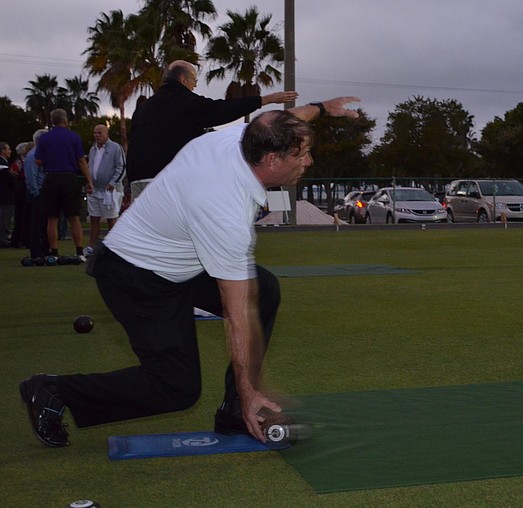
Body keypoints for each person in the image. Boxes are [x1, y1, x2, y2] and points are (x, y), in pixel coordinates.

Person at [20, 100, 360, 448]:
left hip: (177, 261)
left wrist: (319, 107)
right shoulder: (225, 208)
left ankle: (231, 411)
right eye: (301, 155)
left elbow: (280, 122)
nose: (309, 161)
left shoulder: (240, 140)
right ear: (273, 160)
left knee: (266, 289)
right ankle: (53, 390)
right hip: (134, 275)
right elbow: (238, 316)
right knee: (175, 389)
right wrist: (250, 392)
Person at [127, 60, 299, 201]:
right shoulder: (185, 101)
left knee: (147, 235)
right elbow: (221, 109)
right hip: (168, 180)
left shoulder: (143, 108)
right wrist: (266, 100)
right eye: (194, 80)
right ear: (183, 79)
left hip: (138, 180)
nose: (194, 86)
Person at [34, 108, 93, 258]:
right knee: (74, 217)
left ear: (52, 121)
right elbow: (81, 161)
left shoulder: (45, 139)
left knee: (52, 218)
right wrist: (89, 180)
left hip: (52, 177)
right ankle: (79, 251)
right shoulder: (73, 137)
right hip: (69, 177)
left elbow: (38, 161)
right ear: (65, 120)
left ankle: (54, 252)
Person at [85, 124, 126, 255]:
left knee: (111, 218)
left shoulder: (115, 148)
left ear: (107, 134)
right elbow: (90, 167)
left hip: (110, 191)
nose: (97, 135)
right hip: (95, 190)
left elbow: (122, 167)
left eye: (100, 133)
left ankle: (114, 247)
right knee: (94, 218)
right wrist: (89, 182)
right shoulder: (93, 149)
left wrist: (113, 182)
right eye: (95, 133)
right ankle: (91, 246)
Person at [24, 129, 49, 259]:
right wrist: (36, 192)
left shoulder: (41, 154)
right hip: (38, 193)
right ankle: (37, 251)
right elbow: (30, 176)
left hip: (43, 192)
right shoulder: (33, 155)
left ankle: (44, 249)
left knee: (44, 223)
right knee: (37, 223)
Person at [0, 142, 14, 247]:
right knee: (5, 217)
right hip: (5, 195)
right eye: (8, 149)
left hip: (5, 194)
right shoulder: (2, 163)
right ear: (3, 151)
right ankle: (3, 239)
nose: (10, 151)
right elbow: (8, 179)